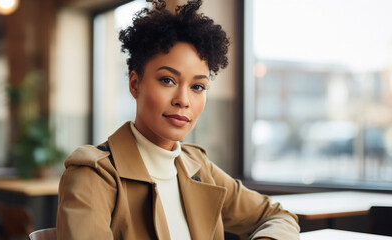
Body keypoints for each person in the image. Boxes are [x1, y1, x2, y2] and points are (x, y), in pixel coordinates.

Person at [56, 0, 300, 239]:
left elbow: (279, 216)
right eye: (167, 80)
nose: (183, 100)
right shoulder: (93, 175)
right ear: (135, 84)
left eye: (197, 86)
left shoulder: (197, 167)